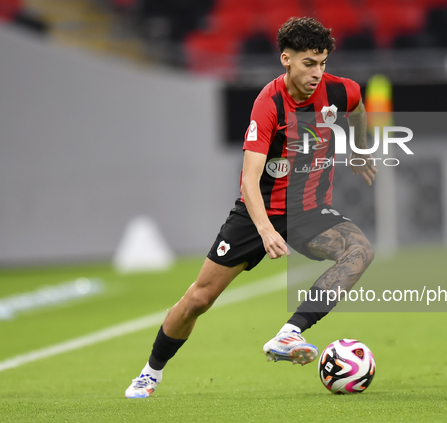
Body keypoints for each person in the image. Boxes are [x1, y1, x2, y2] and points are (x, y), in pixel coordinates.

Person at [125, 16, 377, 399]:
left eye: (322, 63)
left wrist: (359, 148)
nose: (317, 73)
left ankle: (289, 333)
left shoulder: (340, 92)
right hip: (257, 213)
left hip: (309, 212)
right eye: (309, 63)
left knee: (359, 250)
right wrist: (265, 230)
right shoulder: (269, 104)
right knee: (199, 299)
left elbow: (358, 108)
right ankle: (149, 373)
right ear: (286, 60)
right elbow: (248, 180)